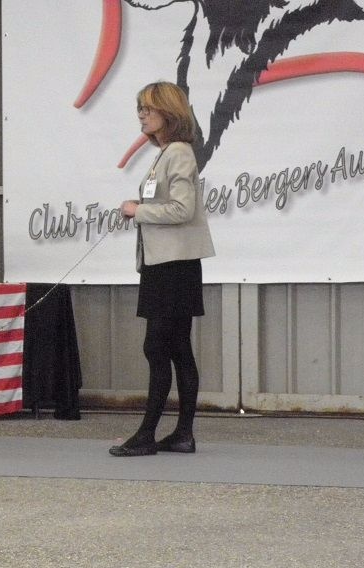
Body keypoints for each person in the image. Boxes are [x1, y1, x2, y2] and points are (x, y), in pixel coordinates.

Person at [109, 81, 215, 457]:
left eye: (148, 109)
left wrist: (139, 211)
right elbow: (168, 204)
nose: (141, 115)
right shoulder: (167, 154)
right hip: (163, 263)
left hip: (174, 266)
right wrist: (142, 207)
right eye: (139, 108)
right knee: (175, 347)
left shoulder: (180, 153)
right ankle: (182, 434)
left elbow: (183, 210)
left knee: (158, 346)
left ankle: (147, 435)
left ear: (168, 114)